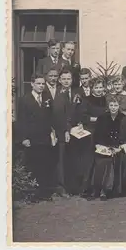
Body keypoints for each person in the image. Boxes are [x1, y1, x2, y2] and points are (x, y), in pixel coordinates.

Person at [16, 73, 57, 201]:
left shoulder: (46, 99)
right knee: (33, 164)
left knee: (45, 164)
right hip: (32, 138)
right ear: (32, 84)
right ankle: (33, 193)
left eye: (43, 84)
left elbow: (50, 118)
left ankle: (45, 193)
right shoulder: (24, 100)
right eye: (38, 83)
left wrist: (52, 134)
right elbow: (21, 121)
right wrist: (24, 138)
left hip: (45, 137)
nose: (41, 86)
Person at [52, 68, 80, 197]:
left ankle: (72, 186)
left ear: (72, 80)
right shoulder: (58, 94)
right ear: (59, 80)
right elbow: (59, 116)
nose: (66, 81)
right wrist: (66, 131)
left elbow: (75, 111)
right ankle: (61, 187)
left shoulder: (75, 92)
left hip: (74, 130)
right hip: (62, 131)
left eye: (68, 79)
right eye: (63, 79)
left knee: (72, 159)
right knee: (61, 160)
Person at [91, 96, 125, 200]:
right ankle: (96, 188)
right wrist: (99, 145)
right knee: (101, 161)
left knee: (110, 161)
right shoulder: (102, 117)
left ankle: (105, 190)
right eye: (111, 105)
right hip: (103, 145)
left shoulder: (123, 118)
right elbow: (96, 134)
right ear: (108, 106)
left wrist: (119, 147)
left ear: (119, 106)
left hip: (117, 146)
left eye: (115, 105)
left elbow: (125, 135)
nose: (113, 107)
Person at [80, 78, 107, 197]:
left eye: (101, 87)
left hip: (104, 131)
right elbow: (82, 116)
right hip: (91, 131)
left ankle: (101, 188)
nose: (99, 90)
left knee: (102, 160)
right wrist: (94, 119)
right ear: (92, 88)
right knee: (90, 161)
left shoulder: (106, 99)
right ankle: (87, 189)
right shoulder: (86, 100)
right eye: (96, 87)